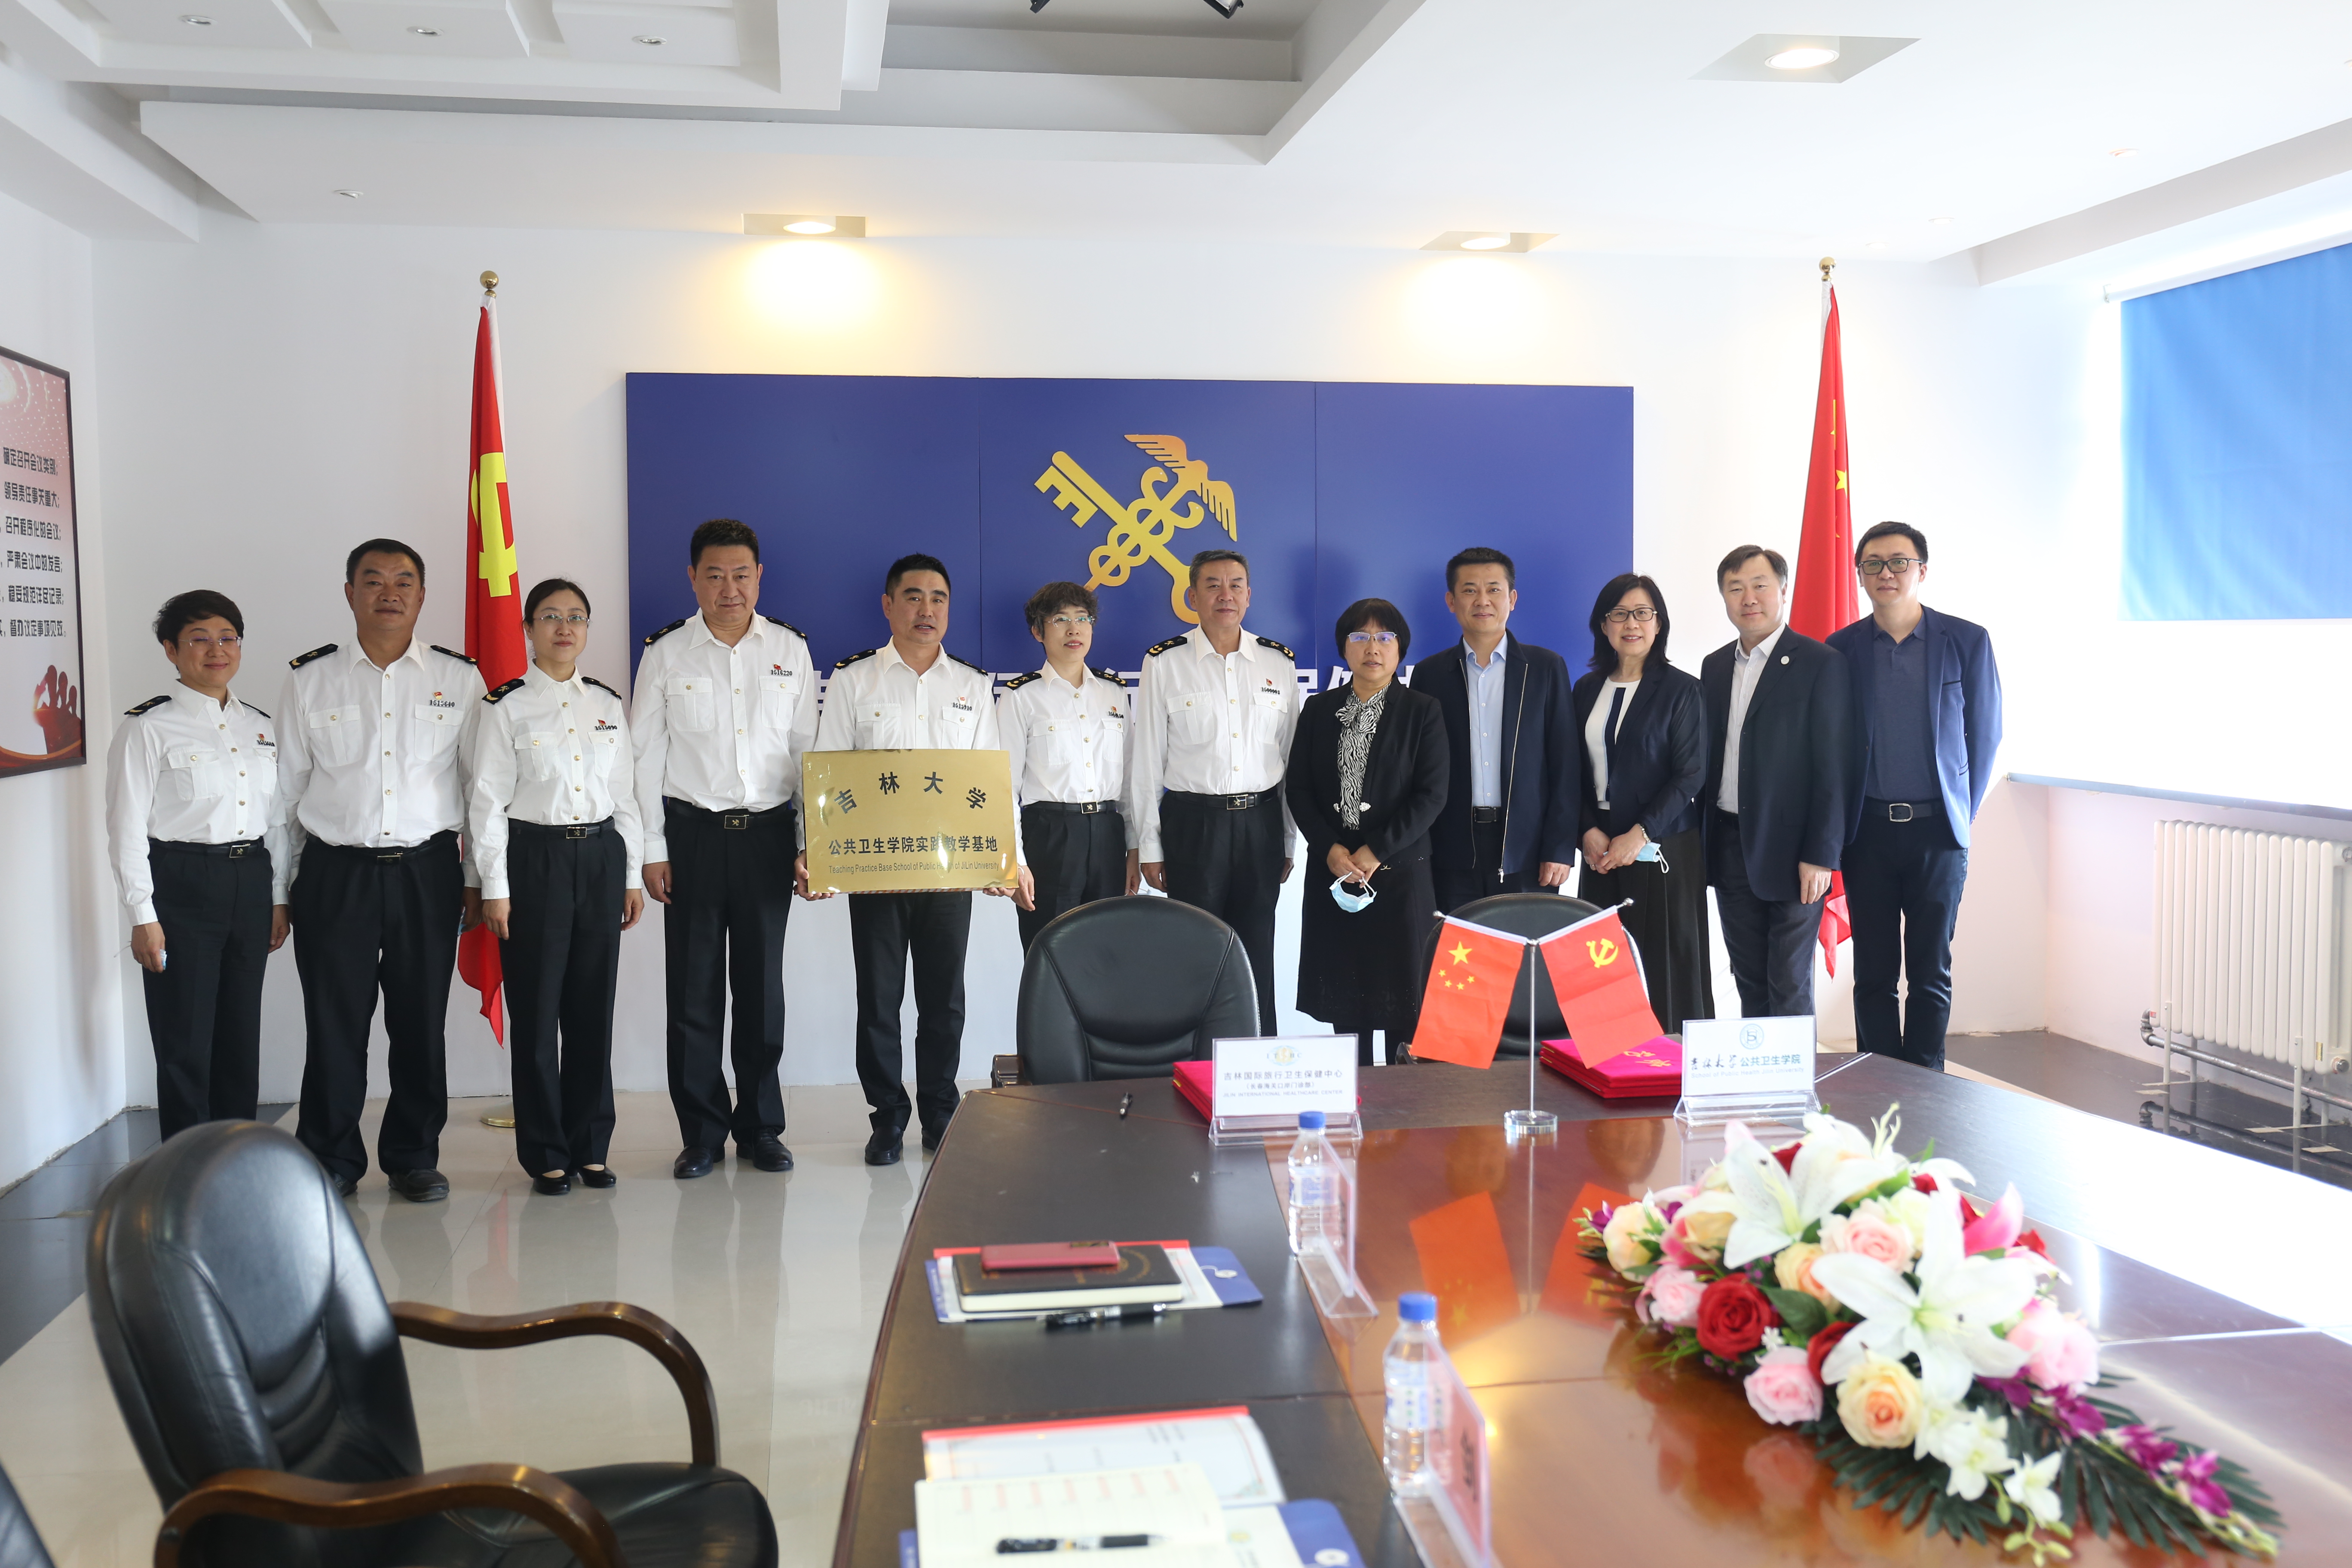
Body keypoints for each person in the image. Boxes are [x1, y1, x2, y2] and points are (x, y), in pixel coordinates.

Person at [278, 540, 482, 1201]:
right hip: (335, 873)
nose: (389, 593)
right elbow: (284, 795)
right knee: (334, 1022)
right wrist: (279, 890)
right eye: (373, 581)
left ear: (422, 596)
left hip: (429, 870)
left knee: (420, 1022)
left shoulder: (459, 679)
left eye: (403, 581)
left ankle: (413, 1156)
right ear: (350, 593)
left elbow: (479, 788)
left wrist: (476, 878)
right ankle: (332, 1157)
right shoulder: (310, 680)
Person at [805, 553, 1008, 1167]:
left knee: (944, 1000)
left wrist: (1003, 860)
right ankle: (887, 1118)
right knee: (879, 1000)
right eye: (914, 596)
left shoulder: (972, 686)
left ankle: (940, 1113)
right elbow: (827, 774)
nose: (927, 609)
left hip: (949, 873)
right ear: (889, 605)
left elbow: (990, 782)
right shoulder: (854, 681)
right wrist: (818, 855)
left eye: (938, 598)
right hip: (876, 869)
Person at [631, 518, 818, 1179]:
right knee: (694, 993)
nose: (729, 588)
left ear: (759, 577)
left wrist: (811, 844)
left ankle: (762, 1128)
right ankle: (702, 1134)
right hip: (693, 839)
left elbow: (808, 755)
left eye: (741, 575)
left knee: (762, 992)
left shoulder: (790, 650)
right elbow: (643, 758)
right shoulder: (665, 653)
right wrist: (651, 848)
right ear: (693, 579)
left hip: (768, 837)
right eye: (714, 575)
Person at [464, 579, 645, 1196]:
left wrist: (629, 874)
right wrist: (495, 886)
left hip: (599, 858)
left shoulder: (606, 704)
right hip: (533, 860)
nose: (564, 628)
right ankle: (545, 1151)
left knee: (593, 1012)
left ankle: (590, 1145)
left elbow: (624, 796)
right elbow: (487, 802)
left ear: (587, 628)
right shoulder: (505, 707)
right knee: (539, 1014)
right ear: (528, 628)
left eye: (576, 617)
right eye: (550, 617)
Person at [105, 591, 291, 1142]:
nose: (217, 650)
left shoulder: (259, 726)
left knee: (240, 1034)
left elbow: (276, 822)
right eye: (199, 640)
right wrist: (142, 916)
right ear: (171, 650)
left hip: (250, 882)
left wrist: (278, 897)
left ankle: (236, 1156)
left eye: (228, 638)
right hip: (181, 883)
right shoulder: (148, 728)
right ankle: (187, 1164)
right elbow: (125, 829)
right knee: (184, 1039)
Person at [1824, 522, 2003, 1072]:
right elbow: (1830, 743)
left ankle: (1927, 1086)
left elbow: (1986, 735)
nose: (1887, 573)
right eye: (1873, 564)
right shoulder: (1842, 649)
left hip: (1938, 833)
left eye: (1899, 562)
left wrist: (1960, 814)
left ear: (1922, 570)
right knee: (1873, 974)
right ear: (1859, 574)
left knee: (1931, 972)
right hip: (1868, 833)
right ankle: (1878, 1081)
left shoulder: (1966, 640)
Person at [1125, 548, 1298, 1032]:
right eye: (1213, 585)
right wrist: (1150, 845)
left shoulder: (1277, 662)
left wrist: (1288, 840)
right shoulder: (1165, 662)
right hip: (1192, 825)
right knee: (1195, 953)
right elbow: (1147, 761)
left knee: (1257, 953)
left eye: (1236, 585)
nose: (1226, 595)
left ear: (1249, 595)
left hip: (1261, 823)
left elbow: (1291, 761)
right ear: (1192, 597)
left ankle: (1260, 1061)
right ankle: (1196, 1064)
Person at [1286, 599, 1448, 1067]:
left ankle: (1402, 1104)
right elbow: (1299, 789)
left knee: (1404, 1007)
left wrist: (1377, 851)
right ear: (1344, 648)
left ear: (1400, 649)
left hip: (1400, 877)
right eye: (1360, 637)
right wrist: (1330, 849)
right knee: (1346, 1003)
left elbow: (1432, 795)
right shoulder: (1319, 709)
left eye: (1384, 638)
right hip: (1336, 874)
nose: (1372, 648)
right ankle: (1353, 1097)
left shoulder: (1422, 710)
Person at [1700, 545, 1851, 1019]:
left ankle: (1793, 1071)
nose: (1748, 598)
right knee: (1748, 977)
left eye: (1760, 585)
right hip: (1729, 844)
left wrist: (1822, 854)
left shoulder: (1820, 663)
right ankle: (1758, 1066)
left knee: (1788, 980)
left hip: (1794, 852)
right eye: (1735, 588)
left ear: (1783, 591)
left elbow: (1834, 766)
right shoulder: (1714, 666)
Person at [1571, 573, 1714, 1033]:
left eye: (1642, 614)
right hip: (1600, 848)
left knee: (1665, 965)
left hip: (1662, 844)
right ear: (1603, 625)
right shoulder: (1586, 689)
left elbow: (1690, 773)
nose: (1631, 624)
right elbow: (1571, 770)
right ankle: (1605, 1061)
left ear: (1658, 624)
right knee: (1603, 965)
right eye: (1619, 614)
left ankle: (1670, 1063)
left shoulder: (1682, 689)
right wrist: (1586, 830)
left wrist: (1641, 832)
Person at [1413, 547, 1580, 913]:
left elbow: (1566, 764)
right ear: (1451, 601)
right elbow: (1420, 769)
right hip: (1451, 849)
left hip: (1528, 849)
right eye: (1470, 590)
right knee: (1456, 948)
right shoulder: (1430, 674)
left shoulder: (1545, 668)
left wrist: (1559, 847)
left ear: (1512, 599)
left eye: (1494, 590)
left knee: (1525, 947)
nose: (1483, 601)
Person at [998, 581, 1135, 950]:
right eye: (1060, 620)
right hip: (1050, 836)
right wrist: (1016, 862)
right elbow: (1004, 788)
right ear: (1038, 631)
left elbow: (1129, 781)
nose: (1074, 629)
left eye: (1082, 619)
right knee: (1051, 953)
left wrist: (1134, 848)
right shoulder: (1021, 697)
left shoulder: (1114, 692)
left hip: (1108, 835)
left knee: (1107, 954)